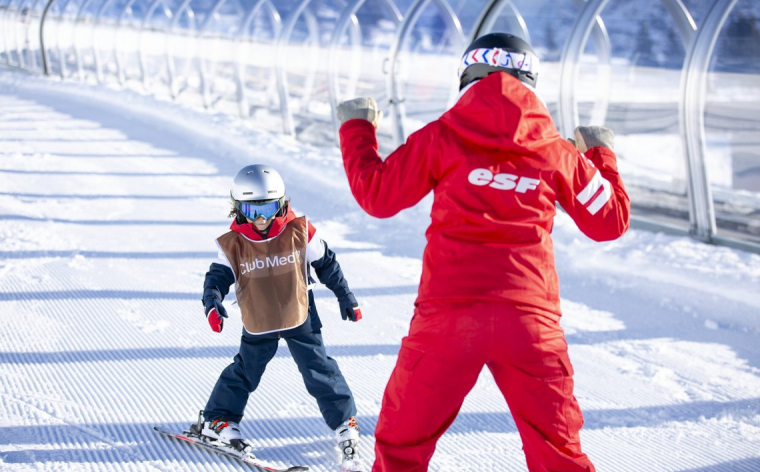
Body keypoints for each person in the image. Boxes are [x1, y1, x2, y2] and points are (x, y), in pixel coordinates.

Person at [335, 33, 630, 472]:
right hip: (531, 324)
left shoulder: (443, 136)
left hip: (448, 319)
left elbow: (378, 195)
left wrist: (357, 127)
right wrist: (600, 155)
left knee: (402, 446)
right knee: (558, 452)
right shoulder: (557, 152)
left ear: (467, 77)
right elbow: (609, 221)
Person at [192, 164, 365, 472]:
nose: (261, 218)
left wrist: (345, 295)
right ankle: (217, 419)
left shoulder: (300, 230)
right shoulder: (233, 244)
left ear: (282, 203)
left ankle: (344, 421)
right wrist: (212, 303)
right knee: (245, 372)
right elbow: (216, 279)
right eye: (252, 209)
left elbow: (327, 263)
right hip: (259, 319)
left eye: (269, 207)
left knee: (320, 370)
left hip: (300, 315)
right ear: (237, 207)